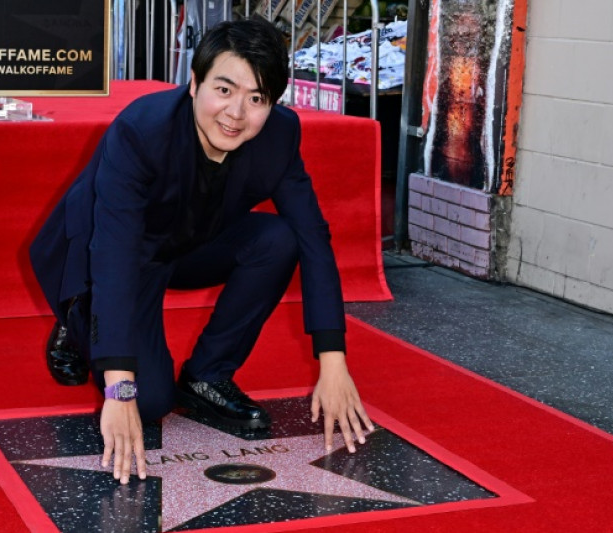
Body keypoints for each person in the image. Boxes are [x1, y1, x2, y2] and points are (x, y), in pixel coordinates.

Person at [29, 18, 374, 486]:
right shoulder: (141, 131)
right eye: (225, 89)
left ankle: (207, 376)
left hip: (191, 241)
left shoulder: (279, 136)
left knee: (278, 239)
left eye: (257, 99)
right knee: (147, 402)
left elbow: (314, 236)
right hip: (110, 254)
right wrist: (119, 386)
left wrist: (333, 360)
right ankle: (77, 321)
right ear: (194, 83)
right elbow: (113, 253)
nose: (236, 113)